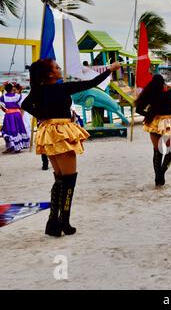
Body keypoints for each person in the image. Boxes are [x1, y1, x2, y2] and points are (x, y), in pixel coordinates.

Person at [22, 58, 121, 237]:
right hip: (62, 132)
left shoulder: (38, 90)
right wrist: (110, 69)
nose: (60, 68)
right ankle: (64, 222)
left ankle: (53, 222)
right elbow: (92, 83)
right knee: (68, 181)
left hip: (48, 132)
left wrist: (43, 116)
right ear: (50, 74)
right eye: (57, 67)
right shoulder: (62, 87)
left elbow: (25, 105)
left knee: (59, 179)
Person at [0, 83, 30, 153]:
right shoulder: (18, 96)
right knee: (17, 129)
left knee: (7, 130)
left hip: (9, 115)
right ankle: (17, 147)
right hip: (17, 115)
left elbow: (2, 107)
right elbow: (22, 106)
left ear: (5, 89)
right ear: (11, 89)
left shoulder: (3, 97)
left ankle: (10, 147)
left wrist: (7, 110)